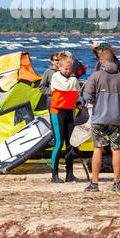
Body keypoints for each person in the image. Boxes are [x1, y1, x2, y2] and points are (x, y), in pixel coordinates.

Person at [82, 44, 120, 192]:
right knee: (116, 150)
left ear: (101, 61)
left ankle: (95, 183)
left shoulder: (96, 76)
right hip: (115, 119)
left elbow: (87, 96)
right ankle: (116, 183)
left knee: (98, 149)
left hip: (99, 119)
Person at [48, 53, 81, 183]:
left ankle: (70, 174)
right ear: (60, 68)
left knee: (70, 143)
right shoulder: (56, 77)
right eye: (65, 69)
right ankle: (54, 175)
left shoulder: (73, 79)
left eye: (69, 69)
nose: (68, 71)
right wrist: (73, 80)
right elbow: (66, 87)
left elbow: (77, 92)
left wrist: (78, 103)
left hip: (69, 112)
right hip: (57, 112)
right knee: (59, 143)